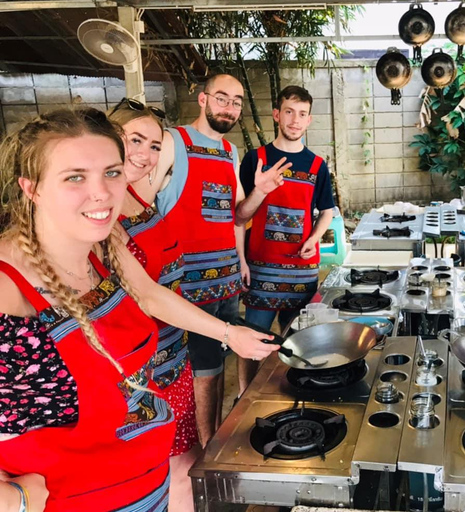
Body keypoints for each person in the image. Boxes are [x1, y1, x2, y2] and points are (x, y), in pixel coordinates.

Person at [0, 108, 278, 511]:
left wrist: (229, 333)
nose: (101, 193)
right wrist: (18, 500)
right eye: (74, 177)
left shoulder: (103, 243)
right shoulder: (9, 291)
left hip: (150, 489)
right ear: (32, 188)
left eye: (111, 173)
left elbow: (149, 293)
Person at [149, 74, 251, 447]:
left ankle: (214, 440)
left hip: (226, 280)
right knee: (203, 370)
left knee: (218, 363)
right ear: (203, 99)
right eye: (222, 99)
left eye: (237, 101)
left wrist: (241, 259)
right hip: (187, 285)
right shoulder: (173, 141)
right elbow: (146, 204)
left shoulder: (230, 151)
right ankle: (207, 451)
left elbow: (235, 214)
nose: (230, 107)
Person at [108, 100, 193, 512]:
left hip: (174, 354)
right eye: (134, 140)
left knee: (181, 466)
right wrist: (230, 333)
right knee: (154, 478)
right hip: (142, 371)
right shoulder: (102, 215)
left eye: (154, 146)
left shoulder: (139, 195)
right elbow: (145, 294)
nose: (145, 154)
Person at [236, 85, 335, 383]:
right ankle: (244, 394)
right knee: (252, 340)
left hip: (301, 272)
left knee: (298, 341)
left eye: (302, 114)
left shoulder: (318, 166)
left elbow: (327, 211)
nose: (295, 120)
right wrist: (241, 260)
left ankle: (285, 391)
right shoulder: (256, 159)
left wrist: (313, 239)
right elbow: (239, 215)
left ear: (309, 120)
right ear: (277, 115)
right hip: (260, 268)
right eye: (289, 112)